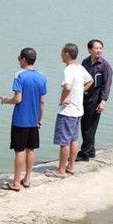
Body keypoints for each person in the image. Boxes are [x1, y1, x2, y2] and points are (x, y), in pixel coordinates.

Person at [0, 47, 47, 191]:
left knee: (19, 151)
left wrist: (6, 100)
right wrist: (40, 118)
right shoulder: (41, 76)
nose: (19, 60)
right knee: (30, 149)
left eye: (19, 58)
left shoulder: (19, 75)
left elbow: (18, 99)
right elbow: (42, 101)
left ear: (24, 59)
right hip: (33, 120)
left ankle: (16, 183)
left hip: (20, 120)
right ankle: (27, 179)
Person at [45, 43, 93, 178]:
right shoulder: (80, 68)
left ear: (67, 53)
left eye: (62, 52)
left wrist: (62, 100)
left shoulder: (69, 70)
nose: (61, 55)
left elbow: (67, 87)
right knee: (74, 139)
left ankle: (60, 170)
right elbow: (90, 81)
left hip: (67, 111)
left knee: (64, 142)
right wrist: (80, 91)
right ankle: (71, 166)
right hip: (78, 110)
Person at [78, 39, 113, 162]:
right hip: (84, 96)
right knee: (85, 124)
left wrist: (103, 101)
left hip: (96, 97)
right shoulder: (85, 62)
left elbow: (107, 85)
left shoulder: (105, 65)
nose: (99, 50)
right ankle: (91, 150)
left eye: (100, 48)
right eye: (96, 48)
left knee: (90, 125)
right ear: (89, 50)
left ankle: (85, 153)